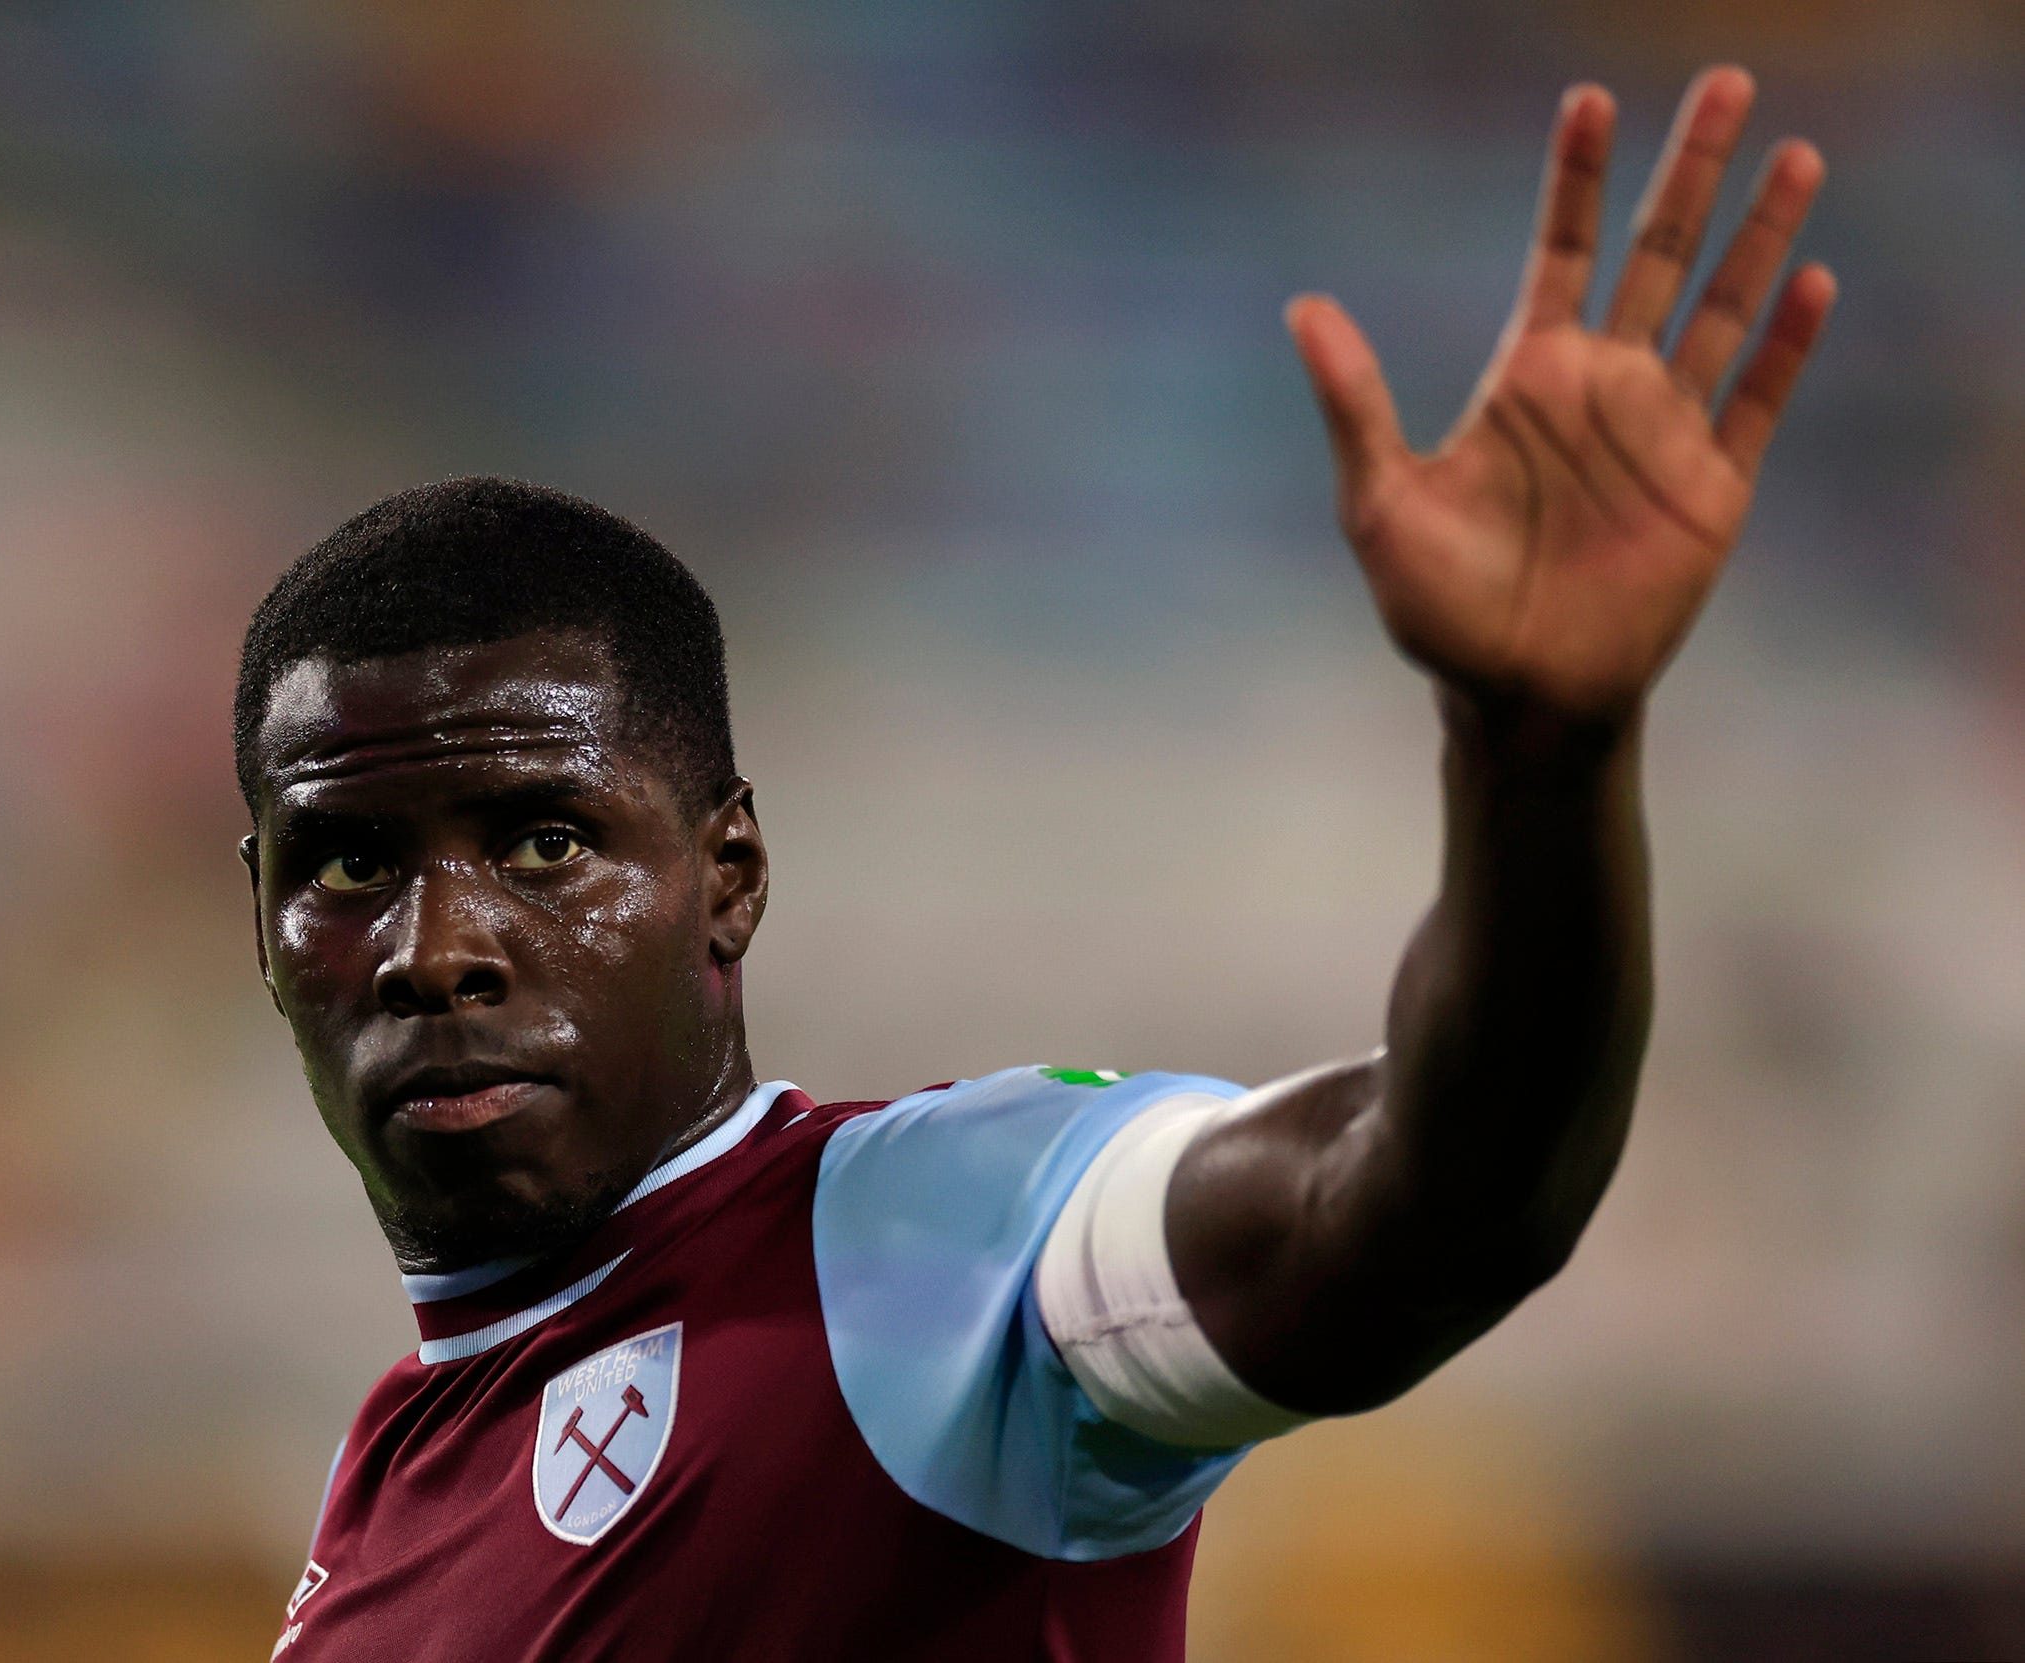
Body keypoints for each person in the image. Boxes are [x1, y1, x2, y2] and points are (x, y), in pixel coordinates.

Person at [232, 64, 1833, 1662]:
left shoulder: (929, 1247)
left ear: (729, 877)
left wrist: (1539, 746)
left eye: (545, 841)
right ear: (261, 915)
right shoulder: (384, 1493)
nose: (435, 947)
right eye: (351, 864)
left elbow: (1429, 1196)